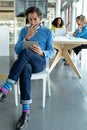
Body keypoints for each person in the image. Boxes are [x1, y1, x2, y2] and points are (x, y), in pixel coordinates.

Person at [0, 6, 54, 130]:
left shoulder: (47, 31)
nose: (33, 22)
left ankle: (6, 87)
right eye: (30, 20)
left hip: (39, 62)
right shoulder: (24, 31)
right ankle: (26, 112)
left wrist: (42, 52)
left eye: (35, 19)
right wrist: (27, 38)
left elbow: (52, 52)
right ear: (27, 19)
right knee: (24, 67)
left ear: (40, 18)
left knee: (26, 52)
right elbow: (16, 49)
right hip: (26, 63)